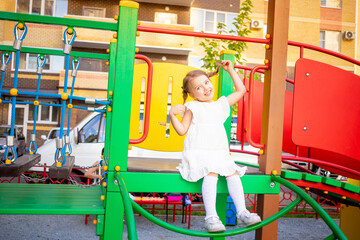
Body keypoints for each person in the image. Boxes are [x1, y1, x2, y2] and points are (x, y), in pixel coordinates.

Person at [169, 60, 261, 232]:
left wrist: (230, 70)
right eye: (198, 88)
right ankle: (211, 217)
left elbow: (241, 90)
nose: (205, 88)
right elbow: (182, 130)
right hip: (199, 153)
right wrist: (172, 115)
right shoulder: (192, 107)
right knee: (211, 172)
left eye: (206, 82)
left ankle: (242, 212)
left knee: (232, 173)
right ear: (191, 94)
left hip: (218, 153)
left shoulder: (220, 104)